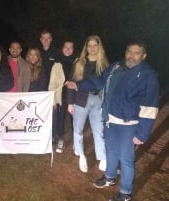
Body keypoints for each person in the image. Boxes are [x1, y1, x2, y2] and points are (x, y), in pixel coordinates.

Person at [68, 40, 159, 201]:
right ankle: (110, 177)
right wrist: (78, 85)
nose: (131, 55)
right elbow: (99, 81)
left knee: (126, 158)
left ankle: (125, 193)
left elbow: (150, 108)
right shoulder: (116, 67)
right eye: (129, 51)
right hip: (110, 119)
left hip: (129, 124)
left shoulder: (148, 76)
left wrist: (142, 134)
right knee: (110, 150)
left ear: (144, 56)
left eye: (136, 52)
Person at [67, 35, 109, 172]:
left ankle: (102, 157)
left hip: (97, 100)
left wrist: (105, 103)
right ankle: (81, 155)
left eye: (95, 45)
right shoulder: (79, 63)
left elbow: (106, 86)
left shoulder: (104, 65)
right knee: (78, 129)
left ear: (99, 47)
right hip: (80, 100)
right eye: (89, 45)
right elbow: (71, 83)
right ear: (86, 47)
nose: (92, 48)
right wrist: (70, 102)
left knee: (99, 129)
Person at [48, 40, 77, 153]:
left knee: (75, 119)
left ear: (73, 49)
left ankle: (76, 141)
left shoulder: (78, 63)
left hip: (74, 96)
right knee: (60, 118)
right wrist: (53, 99)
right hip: (61, 96)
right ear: (62, 48)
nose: (68, 49)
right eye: (66, 47)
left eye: (70, 47)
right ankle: (61, 139)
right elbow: (52, 83)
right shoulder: (57, 63)